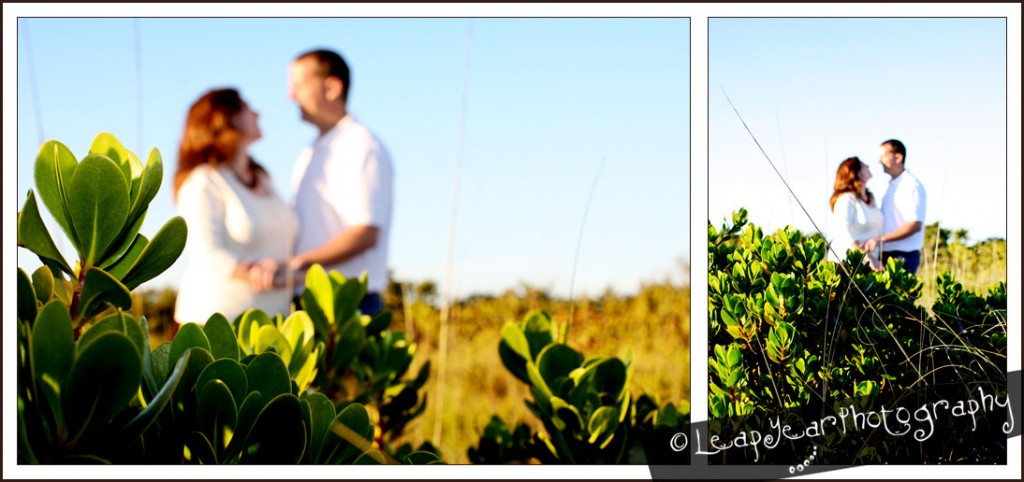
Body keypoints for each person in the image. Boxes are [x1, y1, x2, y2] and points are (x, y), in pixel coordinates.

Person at [172, 88, 298, 327]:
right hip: (217, 323)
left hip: (273, 323)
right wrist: (263, 273)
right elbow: (208, 255)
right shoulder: (203, 182)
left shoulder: (264, 179)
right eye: (247, 107)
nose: (257, 114)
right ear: (224, 119)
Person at [285, 48, 394, 315]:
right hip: (307, 299)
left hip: (349, 303)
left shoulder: (361, 145)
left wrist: (297, 264)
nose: (291, 96)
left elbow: (365, 233)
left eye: (299, 86)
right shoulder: (309, 152)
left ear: (332, 87)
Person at [861, 139, 926, 274]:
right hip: (886, 253)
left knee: (898, 295)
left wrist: (880, 239)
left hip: (903, 256)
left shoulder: (911, 185)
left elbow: (914, 225)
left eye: (883, 156)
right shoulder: (891, 185)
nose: (879, 161)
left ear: (898, 157)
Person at [828, 156, 883, 271]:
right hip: (845, 264)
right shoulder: (846, 199)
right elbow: (843, 232)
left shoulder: (871, 198)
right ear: (855, 173)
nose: (868, 166)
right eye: (864, 165)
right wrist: (867, 257)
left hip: (869, 263)